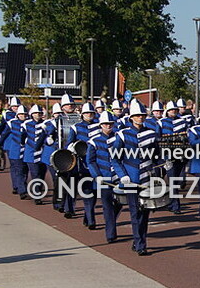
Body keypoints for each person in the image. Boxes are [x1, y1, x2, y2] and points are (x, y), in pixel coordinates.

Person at [111, 99, 159, 255]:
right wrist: (122, 175)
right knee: (134, 212)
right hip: (130, 179)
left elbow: (156, 155)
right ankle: (140, 244)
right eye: (137, 115)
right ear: (131, 117)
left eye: (142, 115)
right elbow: (115, 158)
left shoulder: (151, 133)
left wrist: (164, 162)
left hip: (147, 178)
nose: (140, 118)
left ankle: (139, 240)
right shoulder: (123, 134)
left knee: (145, 212)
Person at [86, 111, 121, 242]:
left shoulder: (118, 137)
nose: (108, 126)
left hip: (118, 177)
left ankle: (110, 221)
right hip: (103, 177)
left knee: (119, 203)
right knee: (107, 206)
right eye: (105, 124)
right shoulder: (94, 141)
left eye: (110, 124)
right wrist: (97, 175)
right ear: (101, 125)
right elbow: (90, 161)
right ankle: (111, 234)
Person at [66, 102, 100, 226]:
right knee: (87, 192)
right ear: (82, 114)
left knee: (95, 193)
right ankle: (91, 220)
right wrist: (73, 148)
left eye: (91, 113)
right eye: (86, 113)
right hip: (83, 164)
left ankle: (88, 216)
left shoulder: (99, 126)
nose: (89, 115)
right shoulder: (76, 127)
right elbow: (69, 143)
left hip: (97, 164)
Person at [160, 100, 188, 214]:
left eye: (175, 110)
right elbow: (158, 138)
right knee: (172, 180)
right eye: (171, 110)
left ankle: (172, 203)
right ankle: (176, 205)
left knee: (176, 180)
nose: (173, 112)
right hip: (168, 155)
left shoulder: (183, 121)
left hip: (180, 155)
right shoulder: (162, 122)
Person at [0, 105, 28, 198]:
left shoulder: (29, 123)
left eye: (24, 114)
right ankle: (21, 190)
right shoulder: (12, 123)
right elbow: (4, 133)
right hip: (15, 151)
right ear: (18, 115)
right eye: (21, 114)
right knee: (18, 169)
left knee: (25, 170)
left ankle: (21, 186)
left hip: (26, 151)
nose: (23, 116)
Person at [20, 105, 46, 205]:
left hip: (42, 153)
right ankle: (37, 195)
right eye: (36, 113)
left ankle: (38, 190)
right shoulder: (26, 124)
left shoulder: (45, 124)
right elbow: (23, 137)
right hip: (30, 153)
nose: (38, 115)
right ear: (32, 114)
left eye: (39, 113)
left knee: (42, 174)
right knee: (35, 174)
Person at [41, 103, 63, 211]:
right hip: (50, 156)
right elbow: (41, 138)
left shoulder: (66, 123)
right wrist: (47, 140)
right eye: (57, 113)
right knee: (56, 179)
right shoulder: (47, 124)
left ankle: (62, 202)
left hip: (63, 156)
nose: (59, 115)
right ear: (53, 114)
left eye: (60, 113)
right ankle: (57, 203)